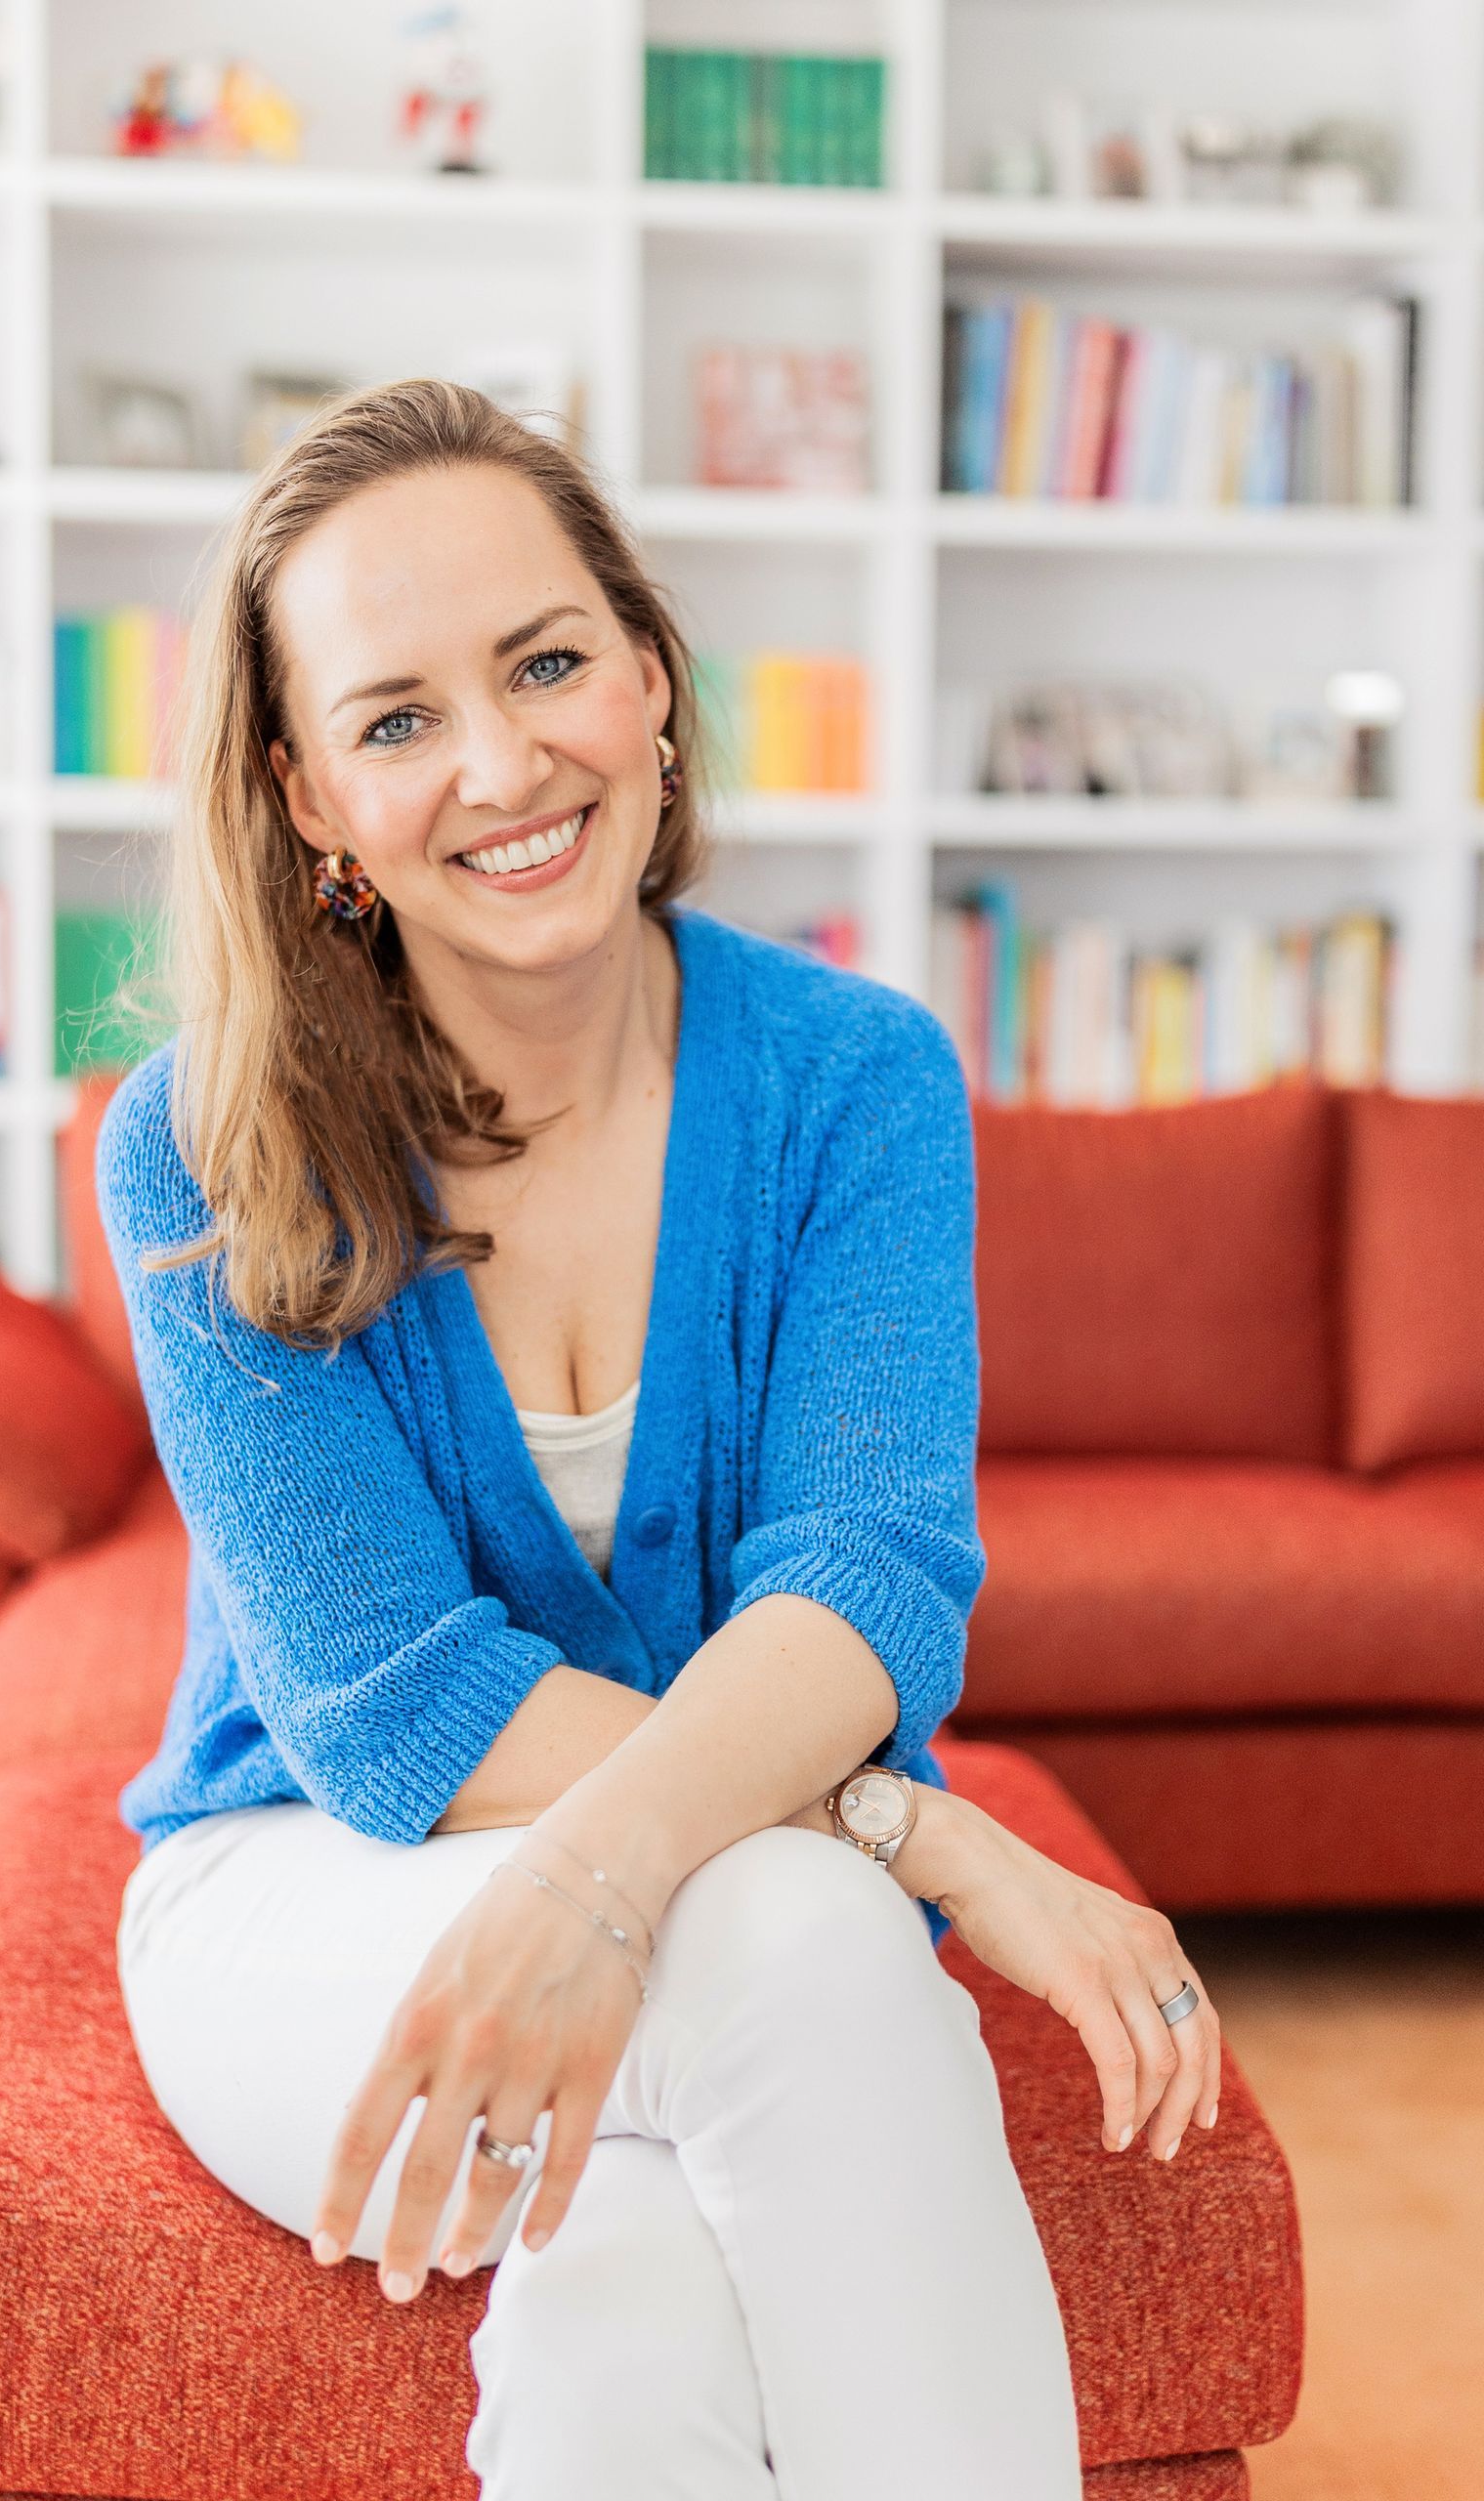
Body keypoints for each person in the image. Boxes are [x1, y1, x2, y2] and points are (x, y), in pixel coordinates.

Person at [99, 377, 1222, 2500]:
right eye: (398, 715)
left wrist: (605, 1873)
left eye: (543, 664)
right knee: (799, 1938)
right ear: (311, 797)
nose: (506, 765)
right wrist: (921, 1836)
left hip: (706, 1848)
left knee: (625, 2289)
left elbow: (866, 1580)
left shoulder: (853, 1078)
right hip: (303, 1882)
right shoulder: (198, 1144)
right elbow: (388, 1709)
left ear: (649, 678)